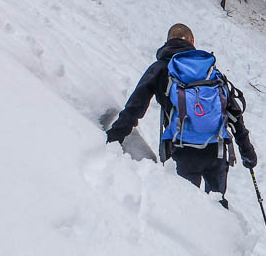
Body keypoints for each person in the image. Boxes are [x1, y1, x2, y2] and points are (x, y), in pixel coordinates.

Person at [106, 24, 256, 203]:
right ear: (192, 41)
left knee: (184, 206)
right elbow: (234, 114)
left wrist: (113, 137)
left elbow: (135, 106)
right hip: (216, 150)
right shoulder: (210, 71)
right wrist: (247, 151)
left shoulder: (161, 68)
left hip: (181, 149)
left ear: (168, 41)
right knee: (217, 204)